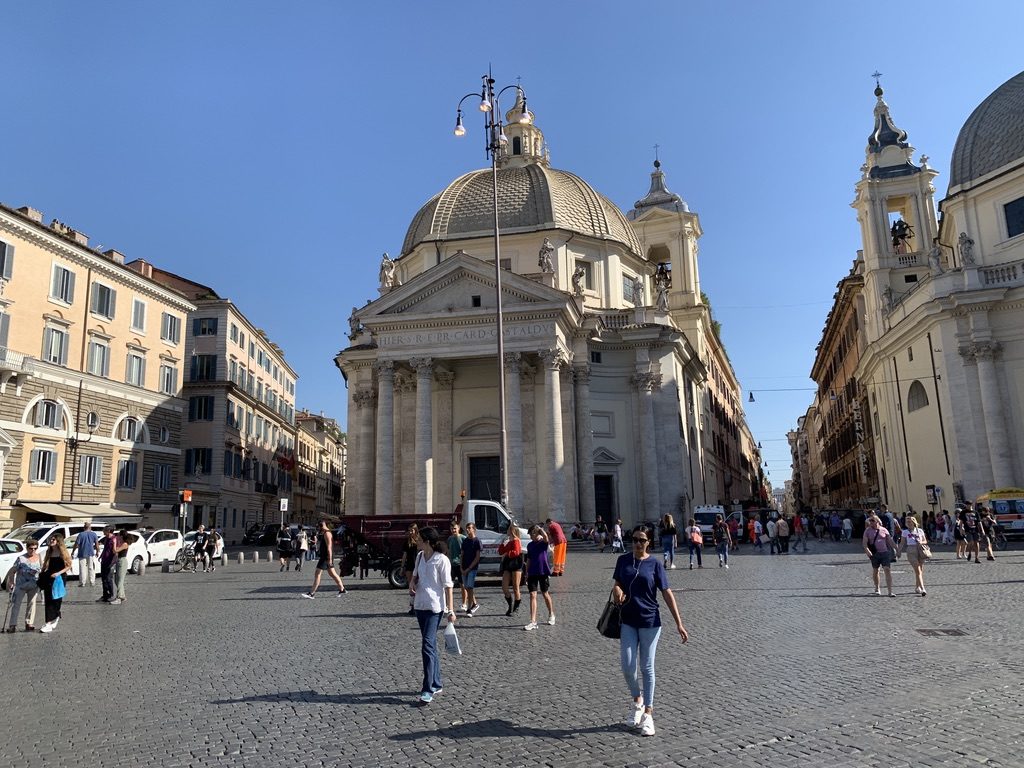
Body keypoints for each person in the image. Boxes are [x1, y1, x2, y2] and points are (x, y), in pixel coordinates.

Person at [612, 527, 689, 737]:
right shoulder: (623, 561)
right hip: (627, 620)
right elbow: (617, 584)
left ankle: (648, 714)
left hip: (650, 621)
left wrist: (679, 623)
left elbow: (666, 593)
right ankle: (638, 700)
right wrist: (617, 589)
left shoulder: (654, 564)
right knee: (627, 666)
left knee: (647, 667)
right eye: (635, 539)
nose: (637, 543)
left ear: (648, 543)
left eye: (642, 540)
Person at [408, 526, 455, 704]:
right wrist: (412, 583)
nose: (416, 540)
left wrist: (451, 611)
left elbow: (448, 586)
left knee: (426, 645)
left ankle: (427, 689)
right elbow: (415, 575)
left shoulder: (442, 560)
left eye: (419, 538)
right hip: (420, 605)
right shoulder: (420, 556)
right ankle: (436, 682)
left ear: (427, 541)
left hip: (435, 608)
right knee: (431, 644)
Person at [301, 520, 347, 599]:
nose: (318, 529)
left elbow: (329, 547)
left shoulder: (327, 533)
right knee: (333, 574)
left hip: (326, 557)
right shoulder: (327, 532)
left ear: (321, 526)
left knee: (317, 574)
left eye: (318, 527)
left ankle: (312, 593)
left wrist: (329, 559)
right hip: (326, 557)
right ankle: (342, 589)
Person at [36, 534, 71, 632]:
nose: (51, 541)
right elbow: (46, 564)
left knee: (56, 599)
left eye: (53, 539)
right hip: (49, 577)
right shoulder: (49, 551)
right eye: (50, 539)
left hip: (59, 578)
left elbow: (68, 565)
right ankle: (48, 622)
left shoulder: (62, 552)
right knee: (48, 599)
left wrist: (58, 573)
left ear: (58, 541)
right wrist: (42, 573)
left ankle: (55, 616)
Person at [523, 526, 555, 630]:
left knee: (545, 594)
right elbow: (529, 560)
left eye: (532, 534)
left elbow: (546, 536)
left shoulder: (543, 543)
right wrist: (526, 573)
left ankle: (551, 614)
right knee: (532, 595)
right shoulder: (530, 545)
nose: (530, 537)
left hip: (543, 571)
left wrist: (539, 529)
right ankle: (533, 621)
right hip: (532, 572)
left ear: (536, 534)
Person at [6, 539, 42, 631]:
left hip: (34, 584)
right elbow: (12, 570)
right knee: (16, 604)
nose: (33, 550)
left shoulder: (39, 557)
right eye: (31, 548)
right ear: (27, 548)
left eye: (35, 548)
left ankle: (29, 623)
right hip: (20, 585)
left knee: (32, 604)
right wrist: (11, 581)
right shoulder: (21, 558)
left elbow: (42, 570)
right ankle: (12, 625)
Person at [863, 515, 897, 597]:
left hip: (885, 552)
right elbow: (864, 543)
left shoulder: (884, 530)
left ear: (878, 521)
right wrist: (867, 551)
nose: (870, 522)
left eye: (872, 520)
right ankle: (877, 587)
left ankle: (890, 591)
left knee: (887, 569)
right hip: (875, 553)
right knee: (876, 570)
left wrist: (897, 549)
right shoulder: (867, 531)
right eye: (870, 521)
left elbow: (890, 541)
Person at [498, 524, 523, 616]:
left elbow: (515, 553)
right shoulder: (509, 541)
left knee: (516, 587)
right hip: (508, 565)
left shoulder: (516, 541)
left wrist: (507, 553)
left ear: (512, 531)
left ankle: (516, 607)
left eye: (509, 529)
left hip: (516, 564)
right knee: (504, 587)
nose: (507, 531)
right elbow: (500, 551)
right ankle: (510, 605)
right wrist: (502, 543)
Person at [901, 516, 929, 597]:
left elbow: (925, 541)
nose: (908, 523)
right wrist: (898, 551)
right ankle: (922, 588)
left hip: (920, 550)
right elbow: (902, 543)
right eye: (907, 522)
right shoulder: (905, 532)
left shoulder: (920, 531)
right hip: (911, 550)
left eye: (910, 521)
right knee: (917, 569)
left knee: (920, 570)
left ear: (914, 522)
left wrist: (921, 542)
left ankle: (917, 587)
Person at [460, 523, 482, 616]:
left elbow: (477, 557)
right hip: (464, 567)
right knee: (466, 587)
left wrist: (469, 568)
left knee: (470, 587)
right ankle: (475, 604)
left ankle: (469, 608)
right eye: (467, 528)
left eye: (469, 528)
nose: (468, 530)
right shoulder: (465, 541)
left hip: (472, 568)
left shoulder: (477, 541)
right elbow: (462, 554)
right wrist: (461, 567)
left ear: (474, 529)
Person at [71, 521, 99, 588]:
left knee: (82, 568)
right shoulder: (94, 534)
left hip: (82, 553)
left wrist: (73, 552)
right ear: (90, 527)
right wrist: (97, 551)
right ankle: (92, 582)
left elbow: (76, 544)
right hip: (90, 553)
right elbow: (97, 544)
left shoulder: (81, 534)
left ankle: (82, 583)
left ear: (84, 527)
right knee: (91, 568)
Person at [403, 524, 420, 614]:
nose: (410, 532)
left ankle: (418, 606)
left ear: (416, 530)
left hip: (418, 565)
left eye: (412, 530)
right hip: (409, 566)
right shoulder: (407, 542)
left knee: (418, 586)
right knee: (411, 586)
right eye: (409, 531)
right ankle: (413, 606)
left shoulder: (420, 541)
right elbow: (405, 555)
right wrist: (402, 567)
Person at [97, 525, 117, 602]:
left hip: (110, 561)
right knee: (104, 579)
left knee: (109, 578)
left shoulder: (113, 539)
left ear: (108, 531)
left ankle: (112, 595)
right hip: (104, 560)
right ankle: (105, 595)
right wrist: (101, 556)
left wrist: (113, 561)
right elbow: (105, 549)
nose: (103, 531)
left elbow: (114, 551)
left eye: (104, 530)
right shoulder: (106, 538)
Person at [111, 530, 130, 604]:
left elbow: (115, 551)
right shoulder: (122, 543)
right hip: (119, 561)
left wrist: (115, 543)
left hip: (122, 561)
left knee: (120, 580)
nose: (117, 536)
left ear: (121, 536)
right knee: (116, 580)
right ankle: (122, 596)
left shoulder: (125, 544)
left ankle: (119, 598)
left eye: (118, 535)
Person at [447, 522, 465, 588]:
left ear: (458, 528)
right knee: (450, 584)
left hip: (460, 564)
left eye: (455, 528)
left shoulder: (463, 538)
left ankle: (464, 598)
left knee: (462, 584)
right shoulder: (449, 539)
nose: (453, 530)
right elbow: (448, 551)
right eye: (452, 529)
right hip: (452, 564)